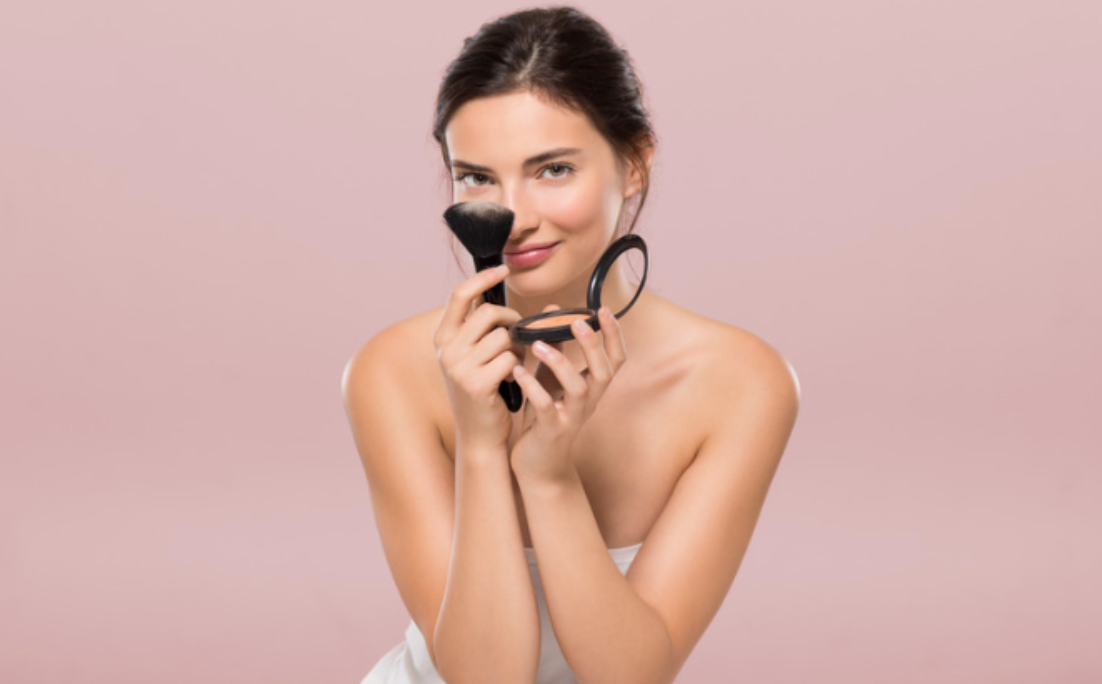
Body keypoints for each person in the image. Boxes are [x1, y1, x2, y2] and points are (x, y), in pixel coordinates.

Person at [342, 6, 800, 683]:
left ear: (635, 163)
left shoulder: (740, 383)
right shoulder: (393, 372)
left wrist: (548, 473)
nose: (514, 217)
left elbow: (633, 673)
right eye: (476, 177)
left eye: (553, 169)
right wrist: (479, 444)